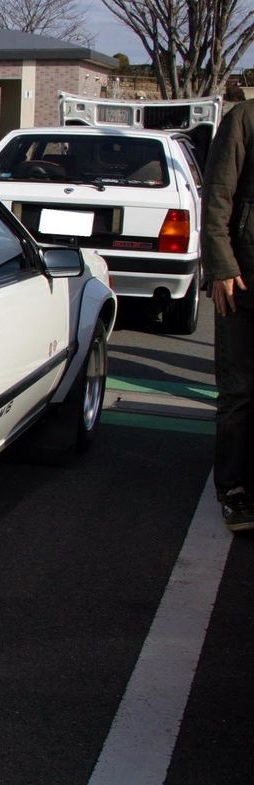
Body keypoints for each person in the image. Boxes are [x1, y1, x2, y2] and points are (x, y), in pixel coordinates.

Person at [202, 97, 254, 531]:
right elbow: (217, 196)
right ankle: (234, 490)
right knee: (239, 390)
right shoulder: (245, 118)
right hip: (241, 281)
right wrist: (221, 267)